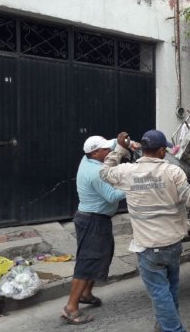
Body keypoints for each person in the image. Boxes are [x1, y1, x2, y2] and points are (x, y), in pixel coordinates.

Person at [100, 130, 190, 332]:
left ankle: (170, 328)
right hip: (172, 244)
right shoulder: (173, 172)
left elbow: (104, 172)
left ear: (143, 149)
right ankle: (168, 327)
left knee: (161, 293)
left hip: (148, 247)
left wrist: (119, 149)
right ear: (162, 150)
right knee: (169, 290)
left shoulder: (127, 172)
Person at [61, 136, 127, 324]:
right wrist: (134, 186)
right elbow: (112, 196)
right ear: (95, 153)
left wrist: (123, 141)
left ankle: (86, 294)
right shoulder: (96, 172)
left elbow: (114, 143)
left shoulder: (87, 158)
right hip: (93, 221)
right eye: (105, 150)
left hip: (93, 219)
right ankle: (71, 307)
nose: (109, 152)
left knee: (100, 257)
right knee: (87, 262)